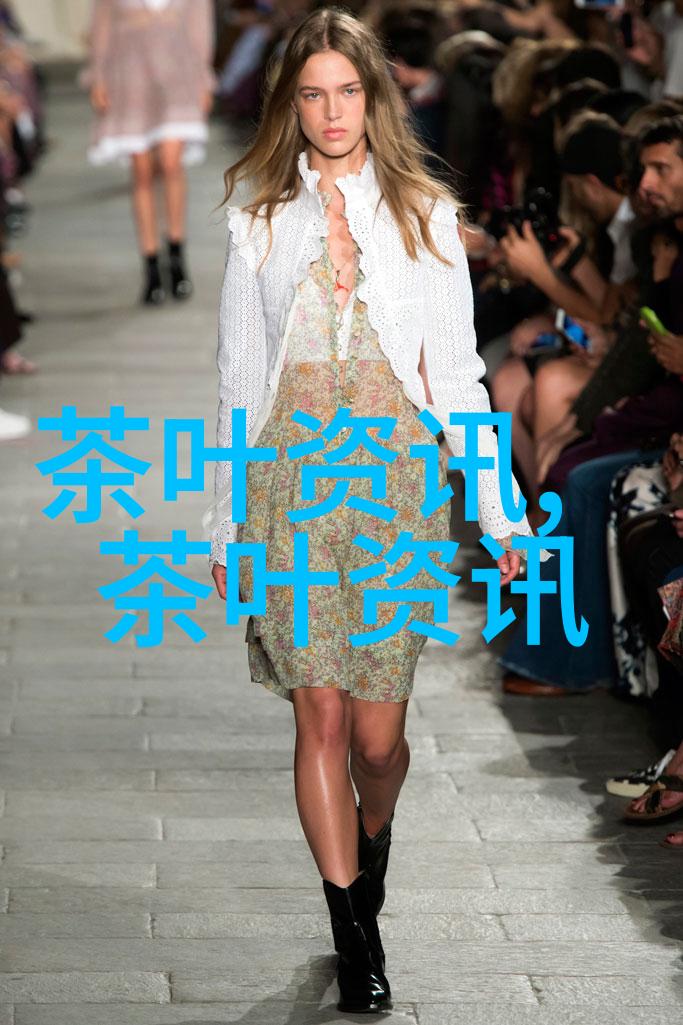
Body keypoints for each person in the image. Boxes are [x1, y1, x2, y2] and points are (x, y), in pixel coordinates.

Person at [203, 7, 537, 1014]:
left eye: (346, 91)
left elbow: (461, 378)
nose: (331, 111)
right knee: (320, 712)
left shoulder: (424, 216)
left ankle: (370, 843)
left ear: (373, 98)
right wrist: (223, 523)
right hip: (290, 491)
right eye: (311, 94)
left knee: (377, 742)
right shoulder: (259, 221)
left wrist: (501, 515)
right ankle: (353, 933)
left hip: (395, 490)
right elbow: (236, 383)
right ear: (290, 105)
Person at [85, 0, 216, 305]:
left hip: (179, 78)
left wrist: (204, 80)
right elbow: (101, 28)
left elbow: (200, 30)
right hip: (129, 81)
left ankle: (177, 255)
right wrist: (98, 77)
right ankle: (152, 265)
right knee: (142, 172)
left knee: (171, 164)